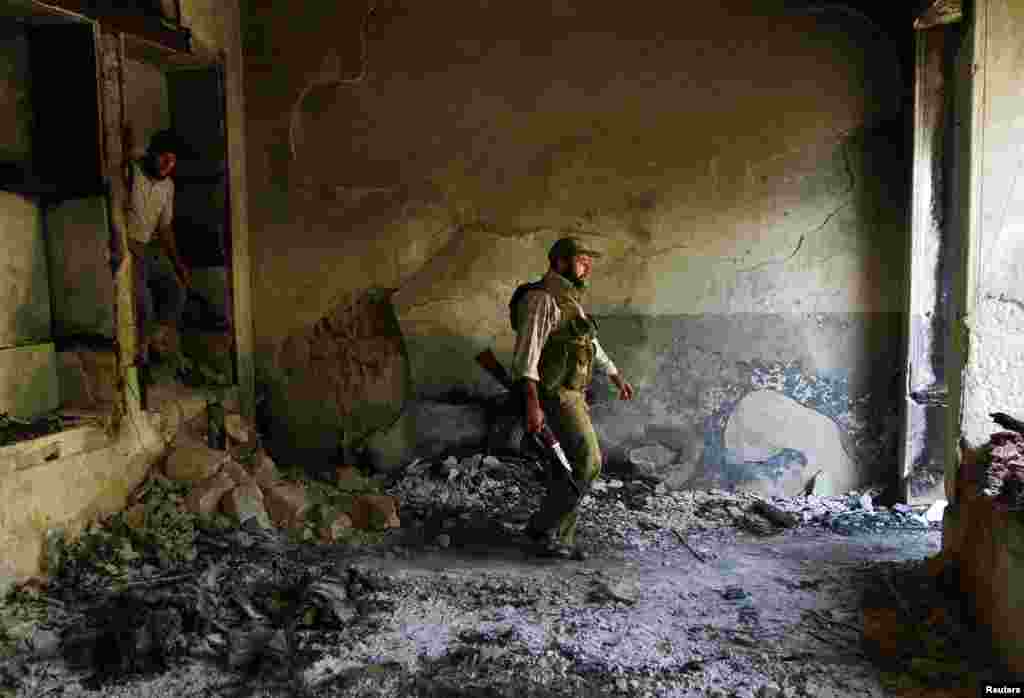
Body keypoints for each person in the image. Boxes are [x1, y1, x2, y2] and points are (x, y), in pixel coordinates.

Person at [509, 236, 635, 559]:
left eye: (587, 260)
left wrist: (614, 374)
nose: (587, 265)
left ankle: (559, 539)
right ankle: (541, 530)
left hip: (572, 394)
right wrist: (532, 404)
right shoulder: (541, 300)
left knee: (565, 469)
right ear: (560, 262)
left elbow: (587, 343)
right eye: (581, 260)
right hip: (554, 396)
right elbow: (526, 358)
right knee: (588, 462)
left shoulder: (570, 302)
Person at [121, 129, 191, 371]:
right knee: (145, 305)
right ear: (152, 154)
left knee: (177, 291)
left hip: (148, 248)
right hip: (127, 246)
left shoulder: (168, 186)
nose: (168, 164)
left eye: (172, 160)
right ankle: (142, 363)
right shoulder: (132, 172)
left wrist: (178, 264)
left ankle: (155, 343)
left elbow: (165, 229)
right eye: (164, 157)